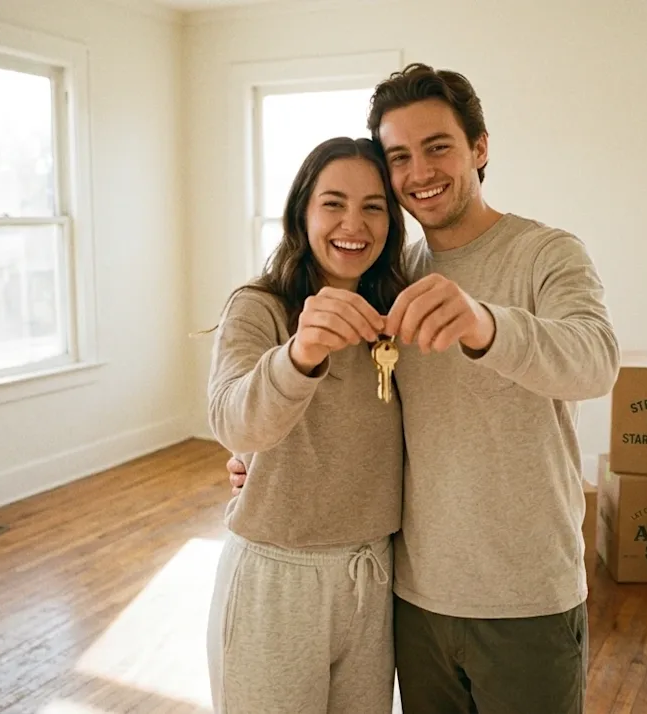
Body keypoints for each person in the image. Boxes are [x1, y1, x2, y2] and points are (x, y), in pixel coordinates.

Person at [228, 63, 620, 713]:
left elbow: (596, 363)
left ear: (480, 147)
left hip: (527, 596)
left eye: (438, 147)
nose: (420, 172)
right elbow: (355, 409)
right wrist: (260, 461)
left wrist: (485, 323)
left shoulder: (548, 253)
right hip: (411, 597)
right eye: (399, 157)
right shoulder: (392, 277)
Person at [204, 136, 410, 714]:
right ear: (302, 212)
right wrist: (300, 355)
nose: (354, 223)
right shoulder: (259, 307)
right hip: (276, 576)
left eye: (374, 206)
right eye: (333, 203)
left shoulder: (398, 315)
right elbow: (231, 420)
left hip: (372, 575)